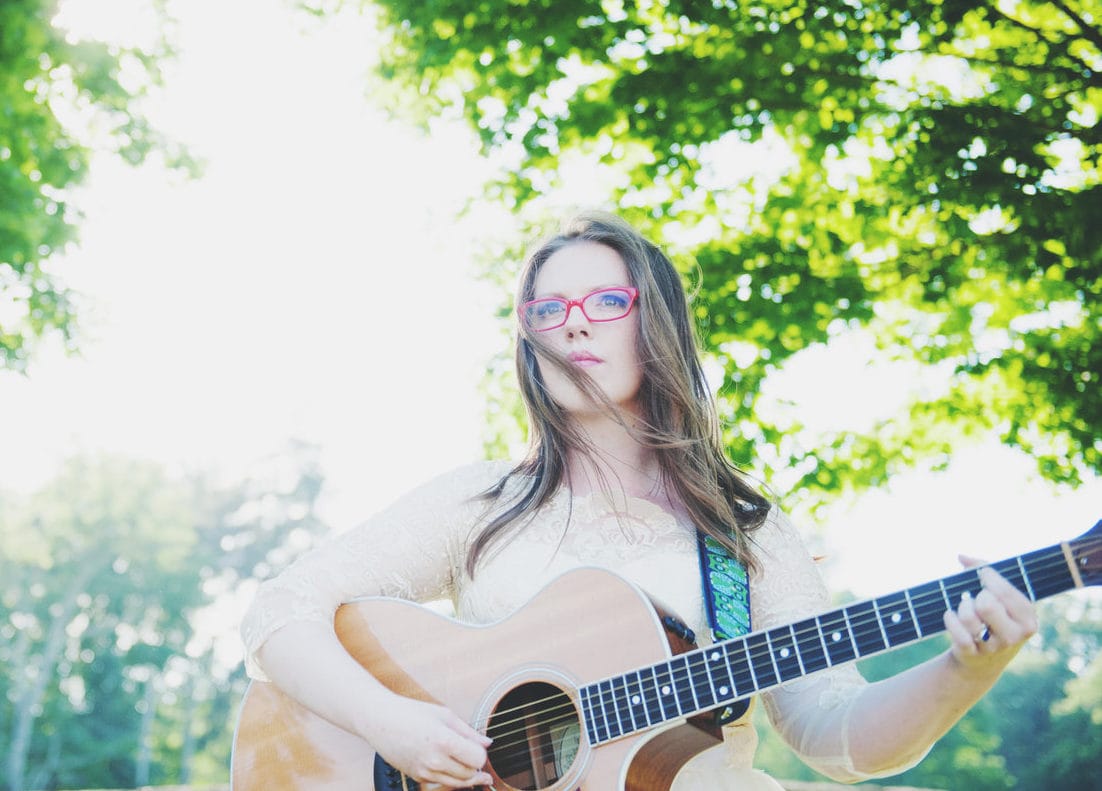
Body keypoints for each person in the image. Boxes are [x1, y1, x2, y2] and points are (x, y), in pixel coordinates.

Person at [240, 211, 1038, 790]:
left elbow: (836, 736)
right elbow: (279, 611)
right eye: (547, 310)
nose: (572, 327)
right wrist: (393, 726)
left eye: (604, 302)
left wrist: (968, 667)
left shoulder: (744, 535)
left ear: (655, 321)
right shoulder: (479, 503)